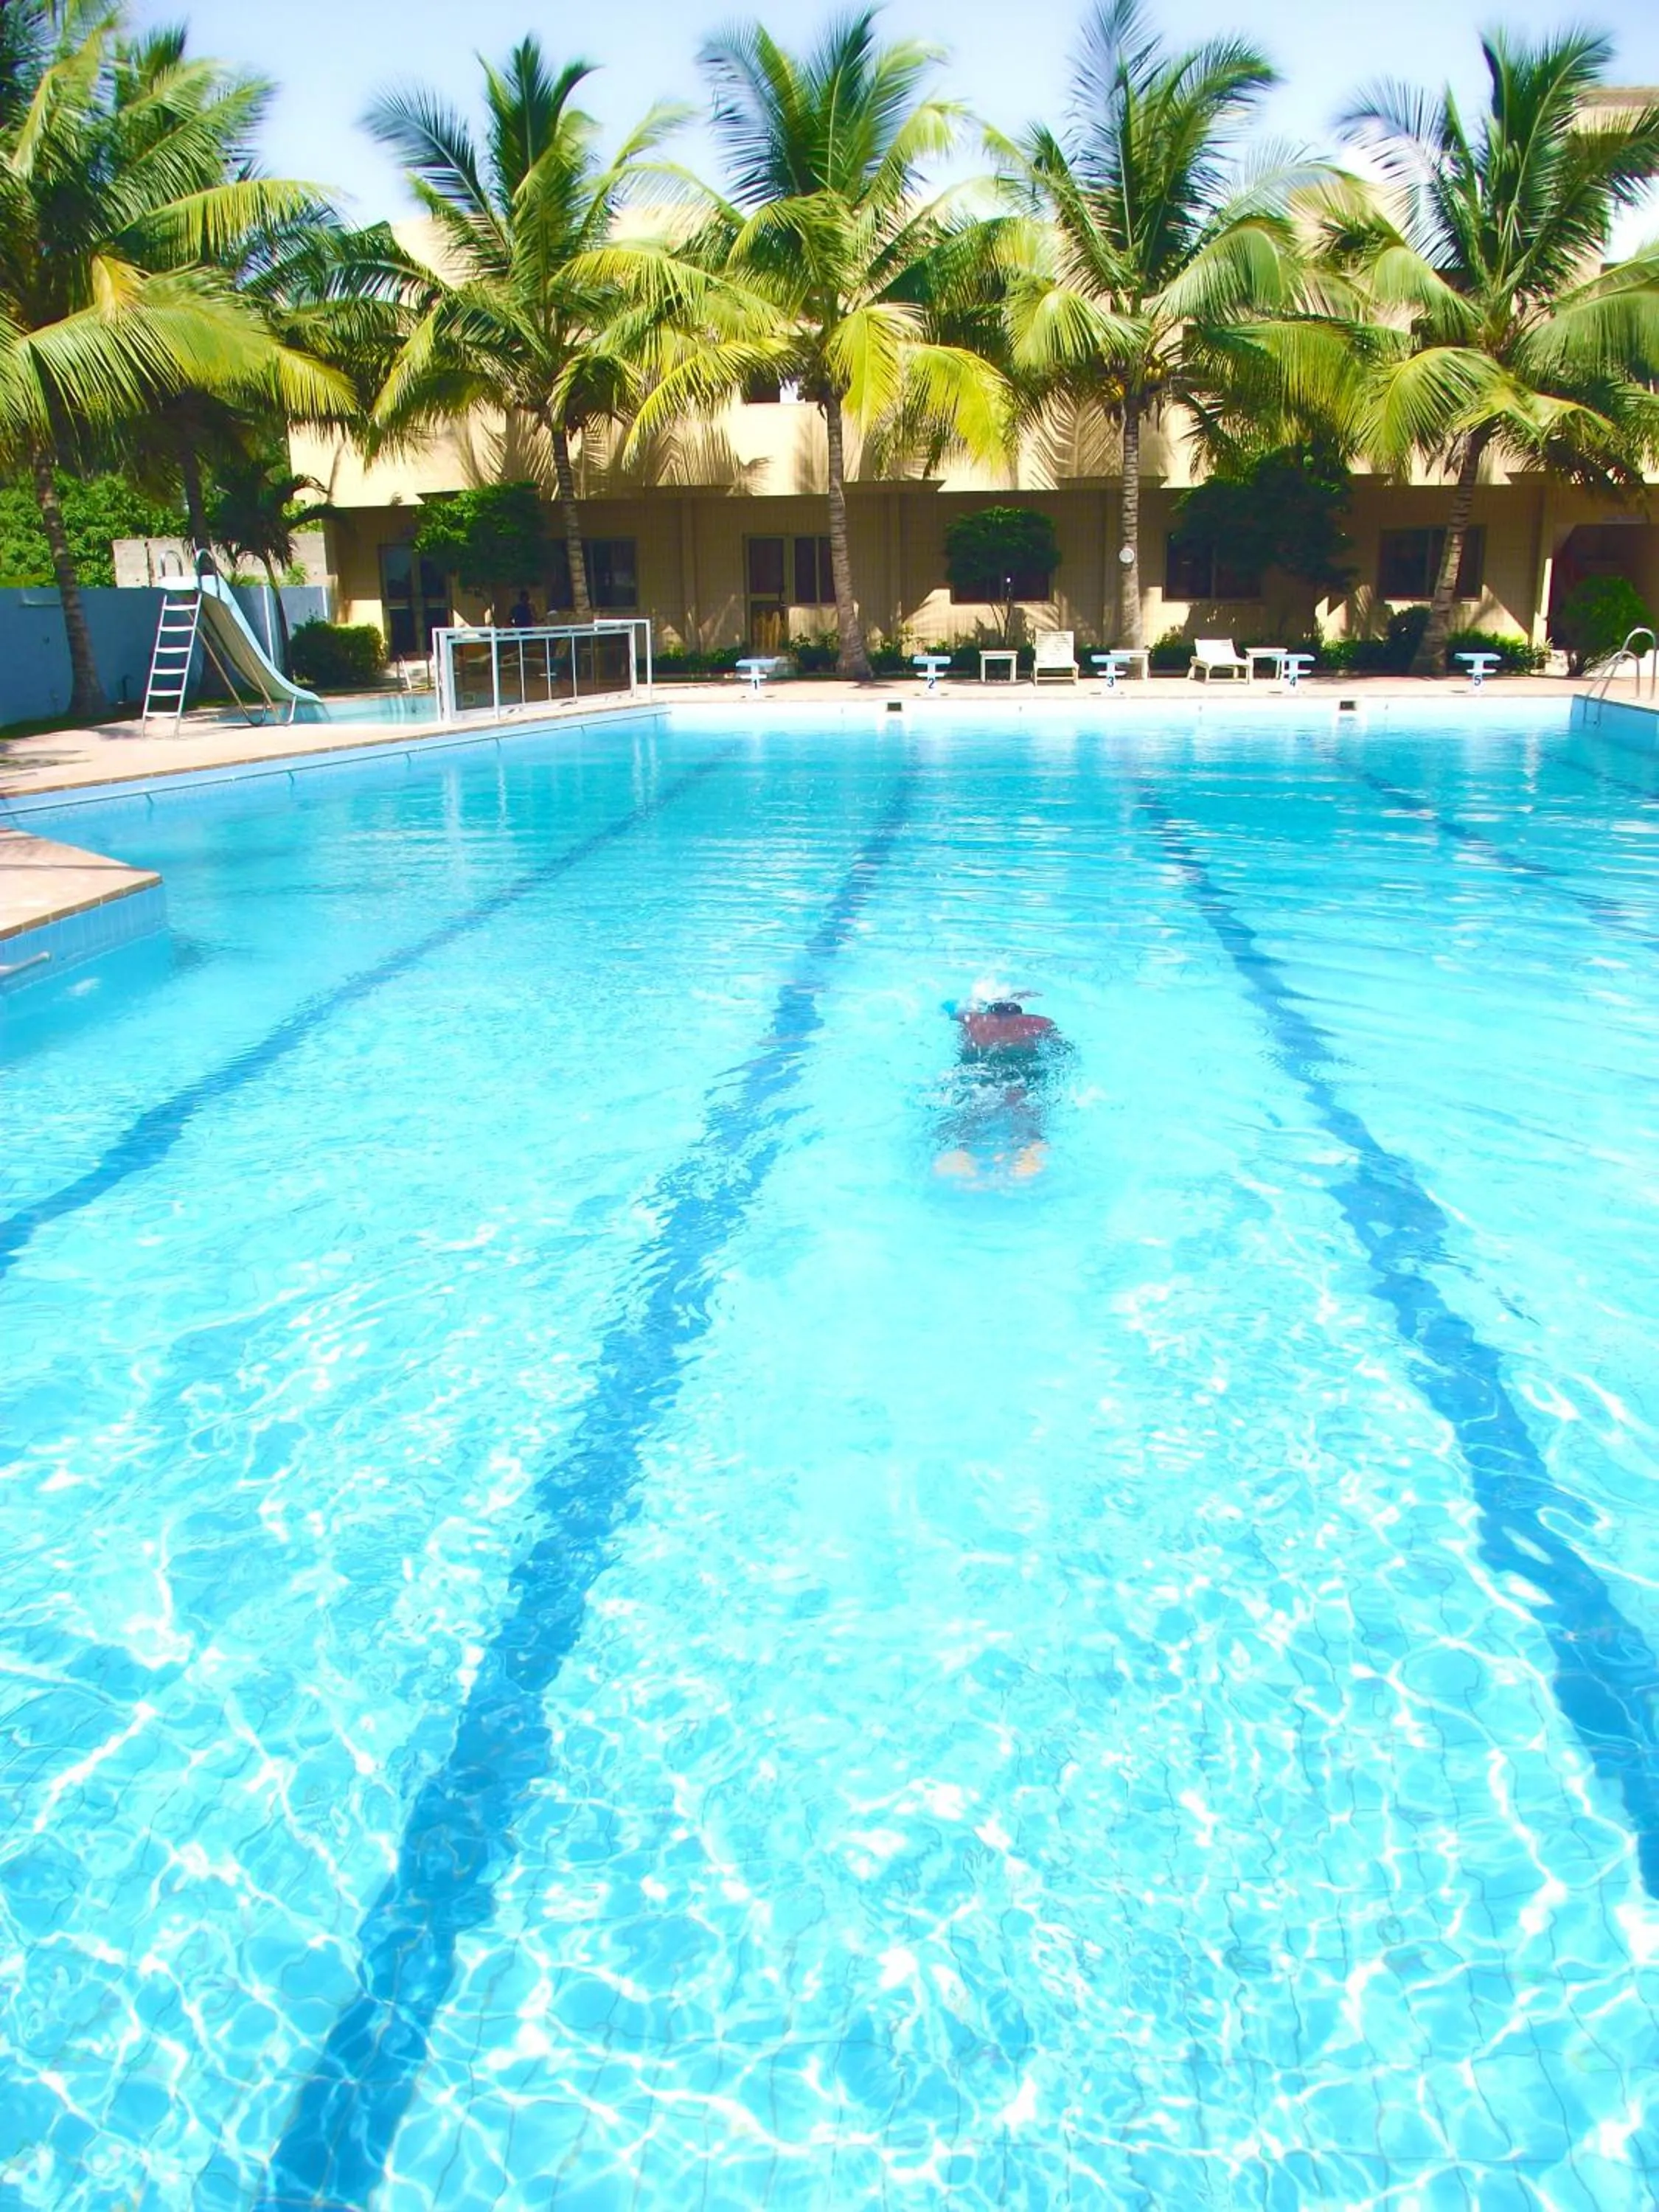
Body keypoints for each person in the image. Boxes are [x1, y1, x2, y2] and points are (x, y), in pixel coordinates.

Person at [933, 997, 1067, 1185]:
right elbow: (1064, 1050)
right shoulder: (1040, 1022)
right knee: (1024, 1107)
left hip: (979, 1070)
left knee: (973, 1109)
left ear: (991, 1011)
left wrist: (976, 1001)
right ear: (1020, 1012)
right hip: (1021, 1070)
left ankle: (959, 1150)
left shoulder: (973, 1020)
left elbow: (947, 1005)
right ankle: (1032, 1145)